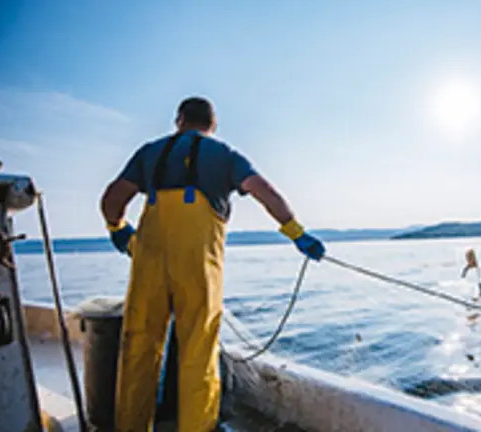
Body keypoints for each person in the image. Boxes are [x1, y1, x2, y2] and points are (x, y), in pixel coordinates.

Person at [99, 96, 325, 431]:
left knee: (139, 349)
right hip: (198, 268)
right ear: (212, 124)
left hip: (148, 263)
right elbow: (264, 191)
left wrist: (118, 229)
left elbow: (112, 198)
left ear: (179, 120)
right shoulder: (225, 155)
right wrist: (297, 233)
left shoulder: (150, 152)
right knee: (198, 351)